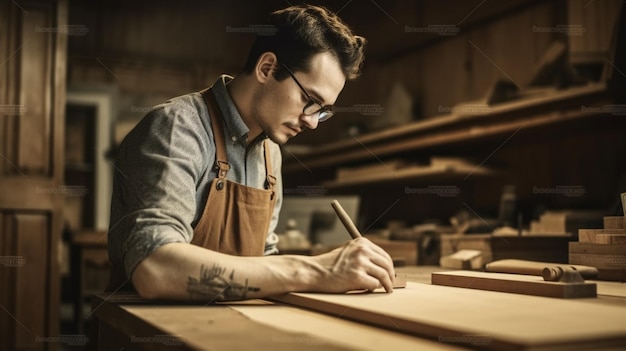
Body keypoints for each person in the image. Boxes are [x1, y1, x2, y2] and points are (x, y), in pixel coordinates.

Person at [107, 4, 396, 301]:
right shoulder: (177, 127)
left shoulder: (271, 152)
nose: (312, 121)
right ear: (266, 68)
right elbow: (155, 269)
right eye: (309, 100)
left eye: (322, 112)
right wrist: (313, 271)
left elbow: (262, 265)